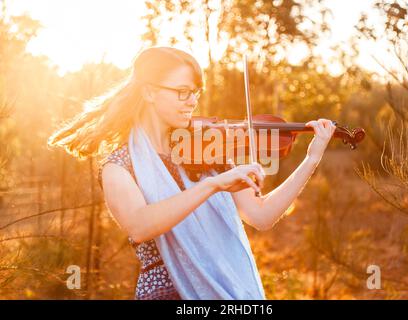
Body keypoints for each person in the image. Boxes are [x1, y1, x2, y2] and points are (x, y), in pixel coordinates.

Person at [48, 46, 336, 300]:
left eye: (195, 93)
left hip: (225, 292)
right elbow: (140, 225)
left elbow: (262, 216)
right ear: (148, 91)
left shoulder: (207, 148)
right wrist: (212, 185)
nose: (192, 101)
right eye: (182, 92)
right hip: (164, 293)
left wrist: (312, 159)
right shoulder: (120, 166)